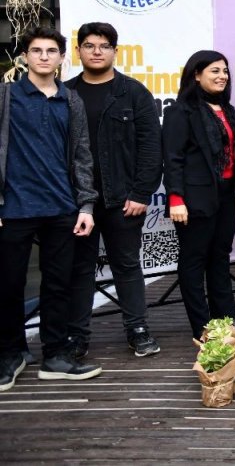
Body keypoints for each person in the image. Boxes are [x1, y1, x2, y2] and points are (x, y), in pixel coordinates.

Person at [0, 27, 100, 391]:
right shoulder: (7, 96)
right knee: (9, 285)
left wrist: (85, 205)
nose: (44, 56)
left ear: (61, 58)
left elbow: (83, 155)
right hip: (14, 207)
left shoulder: (70, 100)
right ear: (25, 56)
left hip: (62, 206)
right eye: (37, 50)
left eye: (51, 50)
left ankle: (55, 356)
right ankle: (11, 356)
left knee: (59, 285)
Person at [65, 22, 162, 359]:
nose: (96, 51)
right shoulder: (65, 93)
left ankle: (137, 329)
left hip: (123, 200)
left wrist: (140, 194)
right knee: (79, 269)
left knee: (127, 266)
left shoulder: (133, 92)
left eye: (104, 45)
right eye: (89, 45)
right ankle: (76, 336)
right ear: (78, 50)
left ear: (114, 51)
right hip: (77, 202)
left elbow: (151, 147)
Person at [163, 50, 235, 340]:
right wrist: (176, 198)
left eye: (224, 71)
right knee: (193, 261)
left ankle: (226, 319)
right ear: (196, 75)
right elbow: (172, 158)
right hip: (194, 198)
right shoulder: (180, 112)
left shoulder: (228, 110)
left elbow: (234, 154)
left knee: (220, 257)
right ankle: (203, 326)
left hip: (225, 196)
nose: (222, 76)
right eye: (214, 70)